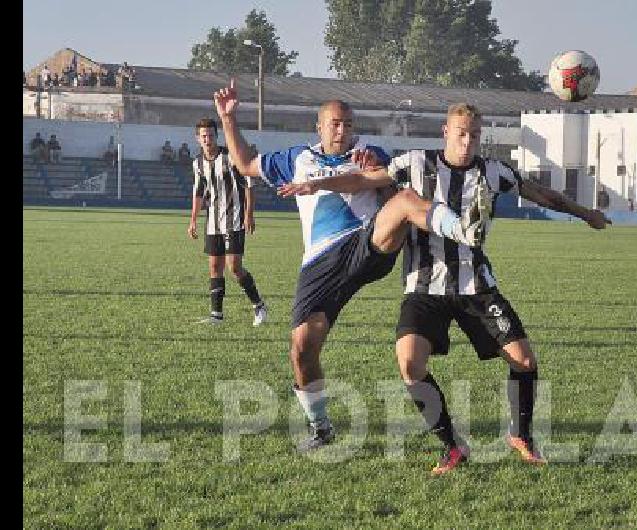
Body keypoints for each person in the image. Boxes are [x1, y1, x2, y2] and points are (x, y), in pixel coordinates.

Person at [280, 103, 612, 474]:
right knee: (409, 363)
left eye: (474, 134)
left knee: (525, 361)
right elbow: (362, 180)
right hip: (424, 288)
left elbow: (541, 195)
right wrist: (317, 183)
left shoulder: (493, 172)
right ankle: (452, 446)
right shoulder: (415, 163)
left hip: (477, 286)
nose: (467, 141)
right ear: (446, 133)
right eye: (461, 133)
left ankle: (521, 435)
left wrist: (586, 214)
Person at [213, 79, 488, 452]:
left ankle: (461, 228)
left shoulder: (369, 153)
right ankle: (321, 429)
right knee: (302, 349)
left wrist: (378, 171)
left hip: (367, 244)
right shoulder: (296, 159)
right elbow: (244, 164)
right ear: (320, 126)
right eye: (336, 124)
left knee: (405, 199)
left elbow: (398, 195)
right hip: (320, 264)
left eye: (349, 125)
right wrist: (228, 119)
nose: (343, 131)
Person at [187, 117, 268, 327]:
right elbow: (198, 192)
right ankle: (217, 315)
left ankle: (258, 305)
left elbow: (249, 184)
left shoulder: (230, 157)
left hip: (235, 218)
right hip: (213, 221)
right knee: (215, 266)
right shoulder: (197, 163)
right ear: (198, 138)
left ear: (216, 136)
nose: (207, 139)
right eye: (203, 136)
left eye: (211, 135)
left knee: (234, 267)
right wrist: (193, 220)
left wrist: (249, 214)